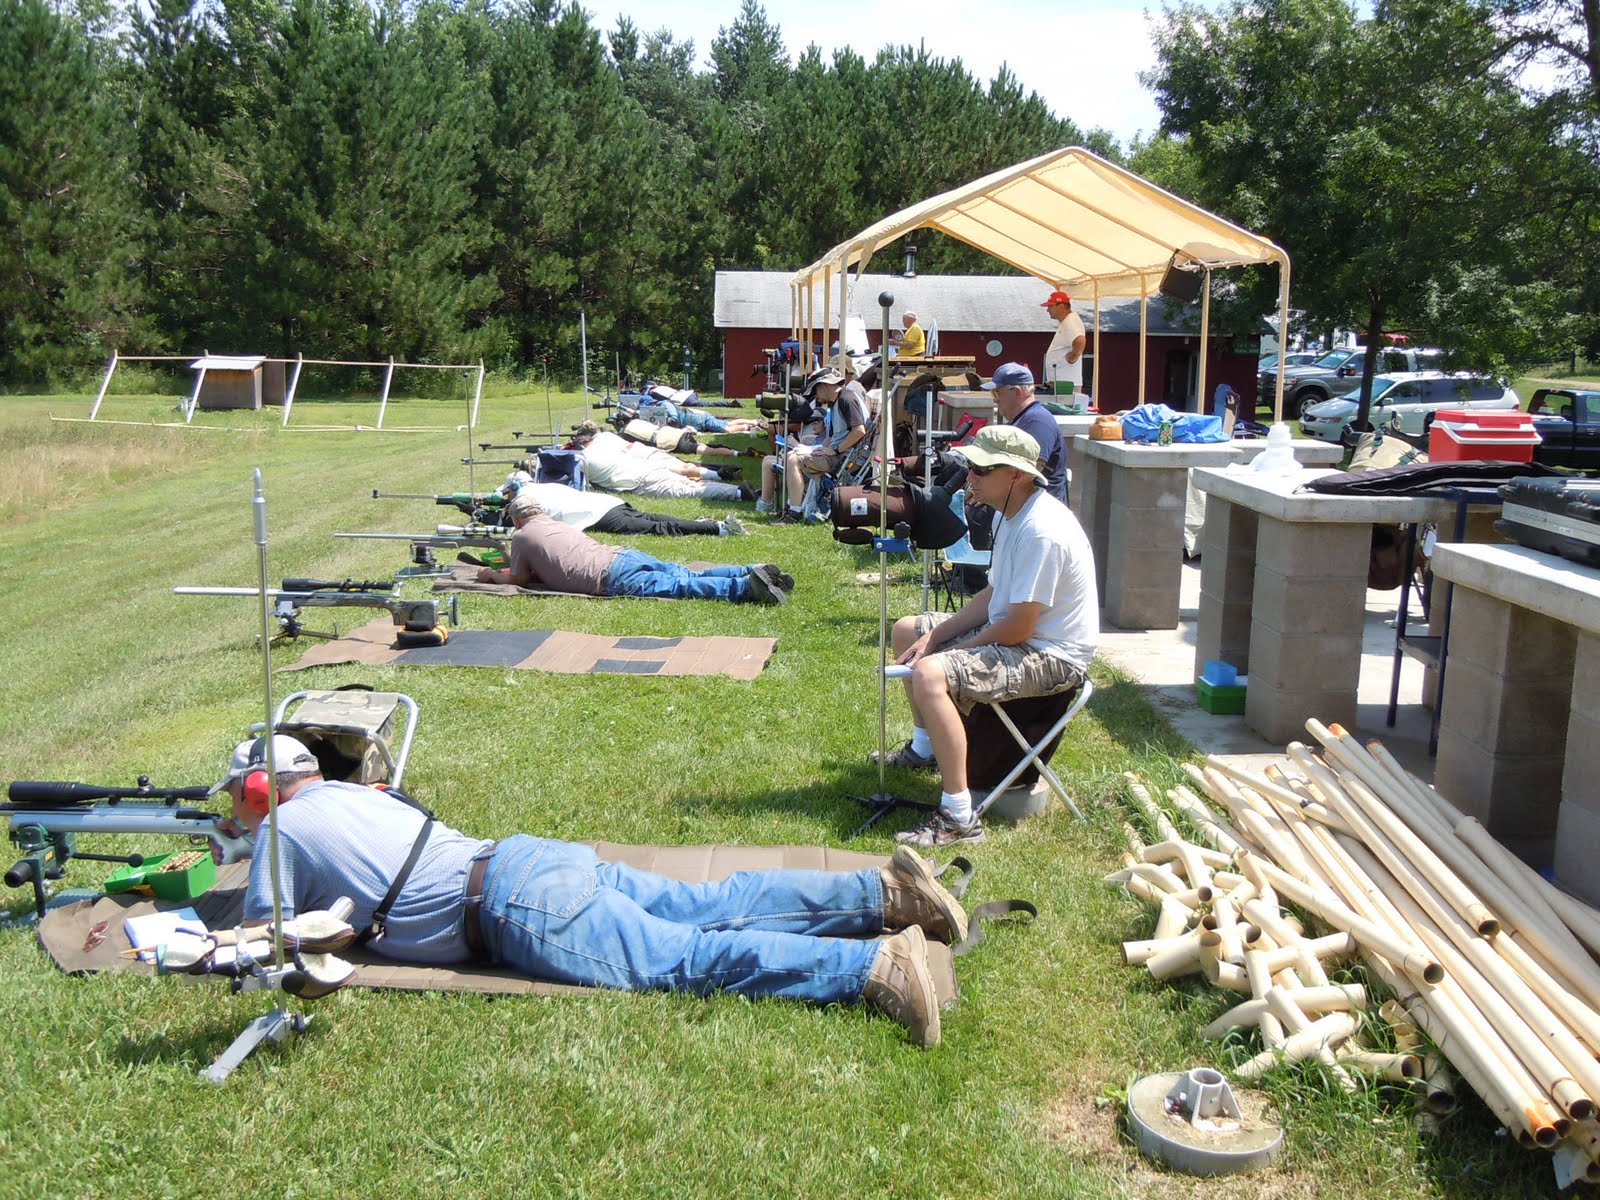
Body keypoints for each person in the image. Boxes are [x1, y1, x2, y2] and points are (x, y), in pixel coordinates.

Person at [208, 734, 965, 1046]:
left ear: (257, 789)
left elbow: (269, 945)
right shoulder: (362, 794)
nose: (233, 812)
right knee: (711, 901)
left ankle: (873, 968)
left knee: (684, 959)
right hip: (531, 861)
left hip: (511, 910)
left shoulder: (283, 832)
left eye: (237, 800)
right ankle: (883, 894)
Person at [877, 425, 1098, 848]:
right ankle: (924, 750)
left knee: (930, 674)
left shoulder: (1042, 530)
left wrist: (948, 654)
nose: (970, 476)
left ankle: (959, 817)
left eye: (981, 467)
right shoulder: (1011, 514)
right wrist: (936, 636)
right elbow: (994, 594)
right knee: (908, 630)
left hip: (1052, 656)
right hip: (1023, 635)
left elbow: (1018, 629)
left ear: (1015, 474)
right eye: (970, 466)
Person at [476, 489, 792, 604]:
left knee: (681, 586)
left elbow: (517, 579)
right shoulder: (557, 523)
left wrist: (492, 574)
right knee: (683, 573)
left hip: (608, 577)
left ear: (517, 520)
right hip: (621, 554)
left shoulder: (521, 536)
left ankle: (747, 589)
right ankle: (751, 570)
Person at [757, 365, 870, 524]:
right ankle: (794, 509)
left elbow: (859, 431)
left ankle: (794, 513)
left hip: (845, 458)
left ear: (824, 385)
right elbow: (832, 437)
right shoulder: (836, 402)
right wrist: (814, 449)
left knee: (793, 458)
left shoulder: (846, 399)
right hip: (837, 454)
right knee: (792, 455)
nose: (815, 396)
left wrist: (834, 450)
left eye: (815, 390)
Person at [497, 472, 746, 539]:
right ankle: (705, 525)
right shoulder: (544, 486)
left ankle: (718, 529)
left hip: (596, 515)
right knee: (653, 519)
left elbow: (513, 523)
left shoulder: (522, 500)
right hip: (607, 502)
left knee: (657, 528)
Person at [575, 427, 754, 502]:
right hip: (646, 464)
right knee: (690, 481)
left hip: (637, 480)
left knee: (691, 489)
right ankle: (731, 485)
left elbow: (583, 487)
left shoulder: (584, 460)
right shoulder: (606, 438)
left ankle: (739, 493)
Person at [982, 362, 1067, 503]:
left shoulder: (1037, 421)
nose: (995, 399)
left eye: (997, 392)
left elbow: (1028, 472)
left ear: (1017, 392)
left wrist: (990, 492)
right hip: (1019, 502)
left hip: (1037, 509)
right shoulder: (1023, 419)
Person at [1041, 291, 1087, 394]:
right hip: (1062, 381)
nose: (1047, 310)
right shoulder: (1067, 322)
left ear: (1061, 306)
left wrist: (1073, 356)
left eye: (1050, 306)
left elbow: (1080, 340)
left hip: (1067, 384)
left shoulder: (1070, 321)